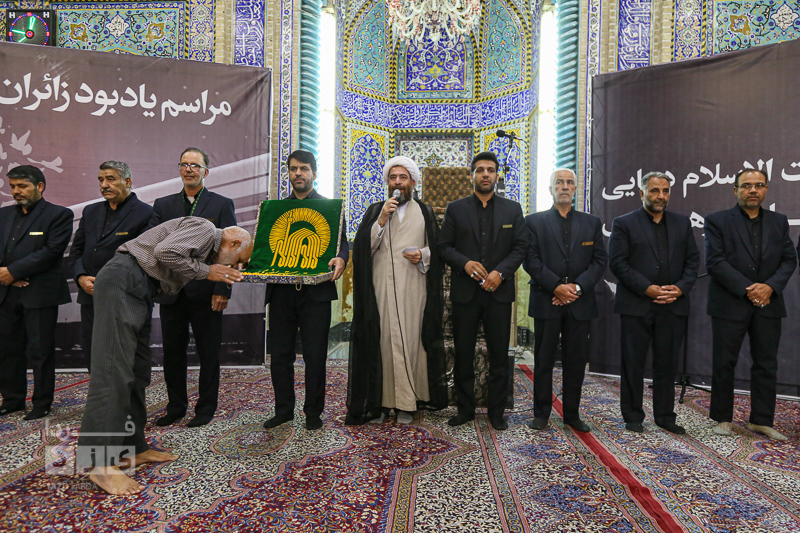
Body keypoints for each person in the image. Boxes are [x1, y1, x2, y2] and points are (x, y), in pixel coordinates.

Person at [76, 217, 252, 496]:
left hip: (140, 287)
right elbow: (165, 252)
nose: (236, 267)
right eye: (239, 260)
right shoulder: (207, 229)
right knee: (112, 371)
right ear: (233, 243)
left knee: (137, 373)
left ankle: (132, 449)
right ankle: (99, 464)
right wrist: (209, 271)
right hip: (124, 278)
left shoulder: (207, 242)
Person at [345, 156, 447, 426]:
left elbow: (437, 251)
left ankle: (406, 403)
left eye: (403, 177)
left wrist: (423, 254)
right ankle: (380, 403)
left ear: (412, 182)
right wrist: (380, 220)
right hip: (380, 289)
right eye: (393, 178)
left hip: (414, 288)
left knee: (411, 343)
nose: (398, 182)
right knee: (382, 343)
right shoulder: (376, 210)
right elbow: (363, 250)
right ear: (388, 183)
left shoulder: (424, 211)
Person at [438, 151, 528, 431]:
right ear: (472, 176)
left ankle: (496, 413)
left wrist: (500, 273)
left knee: (499, 355)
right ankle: (465, 410)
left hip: (498, 294)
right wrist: (465, 264)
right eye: (480, 170)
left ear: (497, 175)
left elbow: (521, 248)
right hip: (465, 294)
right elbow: (443, 247)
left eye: (490, 170)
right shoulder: (456, 208)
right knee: (463, 354)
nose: (485, 174)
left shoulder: (513, 209)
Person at [705, 169, 796, 441]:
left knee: (766, 364)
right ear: (736, 190)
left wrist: (769, 287)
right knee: (724, 362)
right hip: (730, 303)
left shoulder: (779, 222)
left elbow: (789, 260)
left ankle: (761, 420)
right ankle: (722, 418)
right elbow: (715, 262)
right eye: (746, 186)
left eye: (758, 185)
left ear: (766, 189)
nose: (753, 190)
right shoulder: (717, 221)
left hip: (768, 303)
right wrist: (750, 290)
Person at [150, 147, 237, 428]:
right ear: (179, 169)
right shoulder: (163, 205)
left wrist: (223, 289)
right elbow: (153, 245)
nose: (189, 170)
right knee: (172, 353)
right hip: (172, 292)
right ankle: (176, 407)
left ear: (205, 172)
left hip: (207, 292)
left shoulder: (221, 204)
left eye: (195, 166)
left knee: (208, 353)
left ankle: (206, 407)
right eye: (184, 165)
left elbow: (230, 250)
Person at [263, 149, 348, 431]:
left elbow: (342, 245)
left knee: (315, 356)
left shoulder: (329, 209)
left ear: (314, 172)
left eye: (303, 168)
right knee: (281, 355)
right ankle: (283, 410)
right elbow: (265, 246)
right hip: (281, 293)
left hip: (316, 294)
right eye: (293, 169)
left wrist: (342, 259)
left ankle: (313, 412)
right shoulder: (275, 210)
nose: (297, 173)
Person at [608, 171, 699, 434]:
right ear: (642, 193)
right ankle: (633, 416)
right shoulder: (623, 223)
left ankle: (665, 416)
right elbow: (618, 263)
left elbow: (693, 261)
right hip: (636, 305)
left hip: (672, 305)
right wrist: (647, 289)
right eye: (654, 190)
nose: (661, 196)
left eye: (665, 191)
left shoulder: (682, 223)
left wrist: (680, 289)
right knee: (633, 363)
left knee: (667, 364)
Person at [523, 169, 607, 433]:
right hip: (546, 299)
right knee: (543, 360)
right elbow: (531, 261)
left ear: (575, 189)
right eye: (559, 182)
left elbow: (599, 261)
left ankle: (572, 414)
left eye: (570, 182)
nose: (565, 186)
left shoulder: (592, 223)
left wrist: (576, 288)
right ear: (551, 189)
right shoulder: (533, 222)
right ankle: (541, 414)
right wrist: (556, 287)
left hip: (580, 304)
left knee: (575, 362)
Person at [0, 165, 73, 420]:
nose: (16, 191)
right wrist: (6, 276)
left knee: (40, 351)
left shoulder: (59, 215)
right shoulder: (3, 214)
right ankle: (13, 400)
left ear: (40, 186)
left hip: (39, 294)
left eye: (22, 186)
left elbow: (52, 251)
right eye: (13, 187)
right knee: (8, 349)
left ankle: (42, 402)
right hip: (6, 292)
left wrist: (13, 271)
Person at [69, 161, 153, 372]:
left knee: (127, 354)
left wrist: (109, 282)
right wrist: (81, 277)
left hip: (126, 297)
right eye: (100, 180)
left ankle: (130, 394)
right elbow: (76, 251)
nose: (104, 185)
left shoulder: (146, 213)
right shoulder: (91, 211)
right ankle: (99, 392)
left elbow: (143, 257)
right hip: (91, 295)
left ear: (127, 181)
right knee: (93, 351)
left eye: (110, 179)